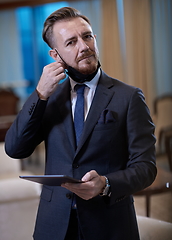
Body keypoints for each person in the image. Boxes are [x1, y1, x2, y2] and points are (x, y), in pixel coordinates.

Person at [5, 7, 157, 240]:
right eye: (71, 42)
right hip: (53, 225)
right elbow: (15, 148)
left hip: (109, 226)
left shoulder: (129, 97)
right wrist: (40, 95)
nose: (84, 46)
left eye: (87, 36)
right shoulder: (49, 99)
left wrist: (105, 183)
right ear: (55, 55)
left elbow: (146, 168)